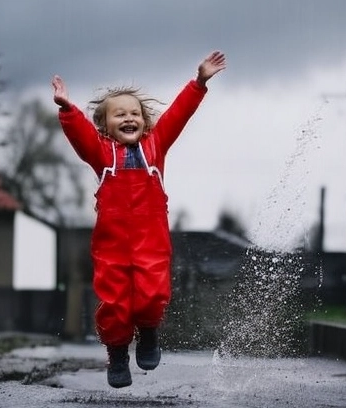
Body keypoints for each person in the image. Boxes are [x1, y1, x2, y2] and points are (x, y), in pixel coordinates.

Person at [52, 51, 226, 388]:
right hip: (112, 247)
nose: (129, 118)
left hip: (151, 244)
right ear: (105, 126)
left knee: (151, 293)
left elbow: (178, 115)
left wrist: (199, 83)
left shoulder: (156, 146)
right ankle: (117, 353)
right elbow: (81, 136)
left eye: (135, 113)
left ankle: (148, 333)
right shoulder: (102, 154)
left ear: (145, 122)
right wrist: (67, 109)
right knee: (114, 302)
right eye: (119, 115)